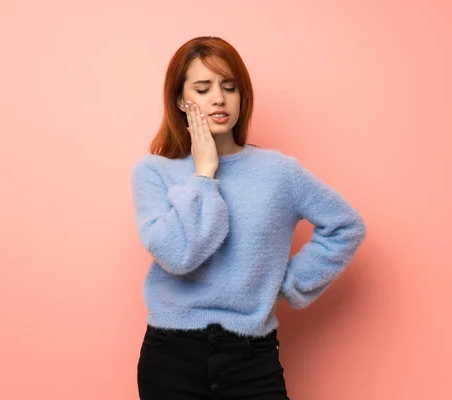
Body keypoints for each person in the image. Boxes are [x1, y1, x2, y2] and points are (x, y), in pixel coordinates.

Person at [130, 36, 367, 399]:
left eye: (230, 87)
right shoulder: (154, 172)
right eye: (203, 88)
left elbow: (344, 226)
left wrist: (288, 287)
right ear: (180, 99)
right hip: (171, 356)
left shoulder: (279, 172)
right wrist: (204, 174)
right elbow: (178, 256)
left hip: (251, 356)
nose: (219, 99)